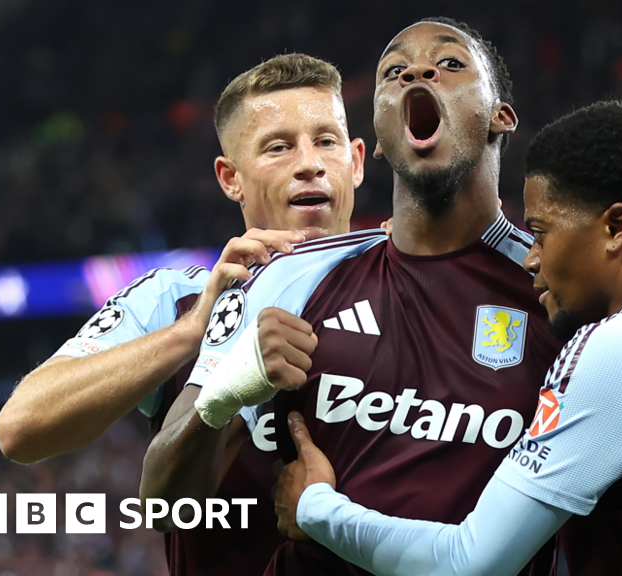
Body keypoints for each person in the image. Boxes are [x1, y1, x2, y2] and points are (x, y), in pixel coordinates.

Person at [274, 101, 622, 576]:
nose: (531, 257)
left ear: (615, 228)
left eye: (542, 232)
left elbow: (468, 563)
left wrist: (317, 507)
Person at [147, 17, 562, 576]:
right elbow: (163, 503)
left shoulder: (555, 289)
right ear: (378, 141)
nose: (417, 73)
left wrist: (322, 512)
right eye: (395, 71)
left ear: (500, 116)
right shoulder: (290, 278)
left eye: (449, 63)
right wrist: (226, 391)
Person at [0, 53, 365, 576]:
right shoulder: (175, 298)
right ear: (230, 178)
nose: (309, 163)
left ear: (356, 161)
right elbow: (20, 428)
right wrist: (196, 330)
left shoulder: (415, 288)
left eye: (326, 141)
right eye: (279, 147)